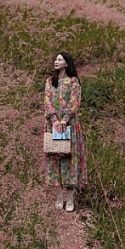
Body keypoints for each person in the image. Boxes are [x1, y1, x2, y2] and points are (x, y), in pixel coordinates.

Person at [44, 52, 87, 212]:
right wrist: (54, 120)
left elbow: (75, 101)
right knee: (56, 156)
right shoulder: (50, 81)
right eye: (56, 59)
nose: (56, 61)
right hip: (53, 125)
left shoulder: (74, 81)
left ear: (67, 63)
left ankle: (70, 198)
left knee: (70, 158)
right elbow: (47, 101)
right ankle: (59, 196)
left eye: (60, 59)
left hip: (70, 125)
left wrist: (65, 119)